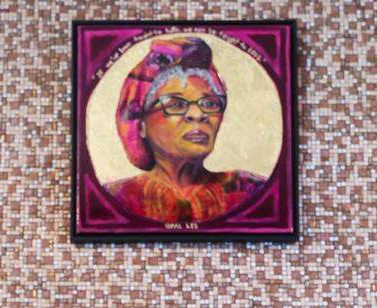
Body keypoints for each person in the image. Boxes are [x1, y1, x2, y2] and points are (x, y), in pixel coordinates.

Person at [105, 37, 267, 224]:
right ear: (140, 125)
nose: (198, 114)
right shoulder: (116, 199)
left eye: (209, 104)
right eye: (176, 104)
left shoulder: (250, 191)